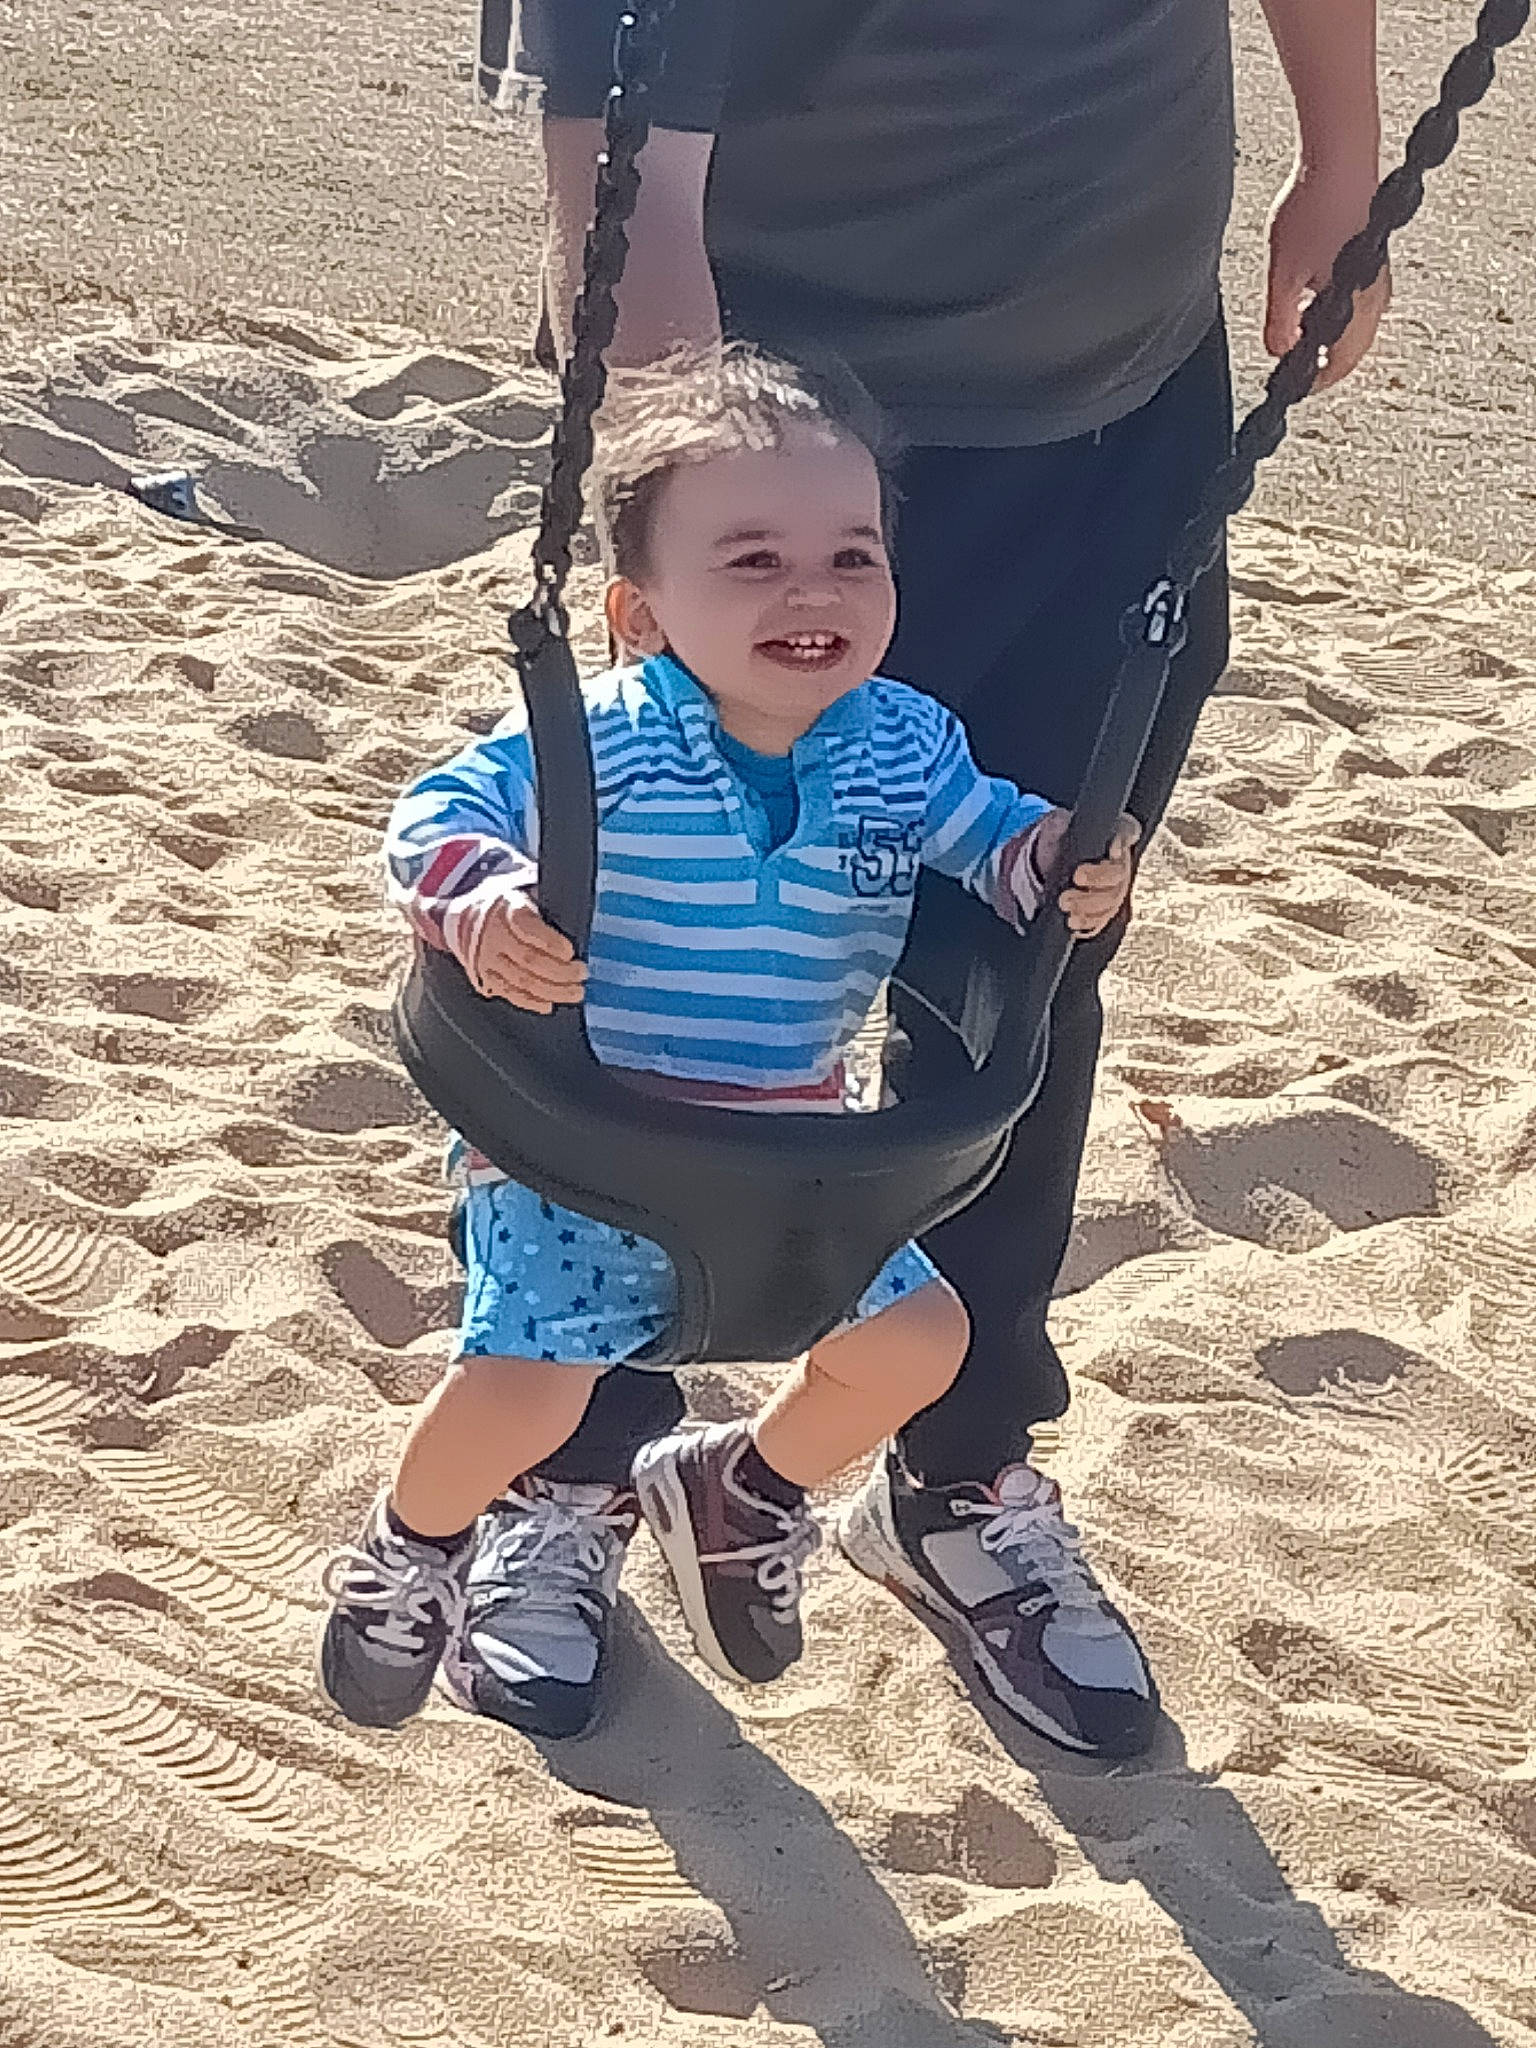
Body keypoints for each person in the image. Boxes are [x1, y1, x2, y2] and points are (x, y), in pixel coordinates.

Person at [468, 0, 1389, 1759]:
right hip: (786, 465)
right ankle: (567, 1452)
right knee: (655, 957)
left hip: (1120, 415)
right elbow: (633, 214)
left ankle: (951, 1472)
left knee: (1031, 951)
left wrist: (1339, 163)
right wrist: (697, 571)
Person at [318, 345, 1138, 1738]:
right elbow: (438, 813)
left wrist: (1060, 854)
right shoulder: (598, 741)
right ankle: (413, 1550)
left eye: (851, 555)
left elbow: (992, 840)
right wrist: (483, 904)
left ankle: (740, 1490)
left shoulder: (903, 744)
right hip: (590, 1147)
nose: (813, 591)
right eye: (753, 561)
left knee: (920, 1344)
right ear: (639, 614)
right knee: (523, 1390)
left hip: (791, 1149)